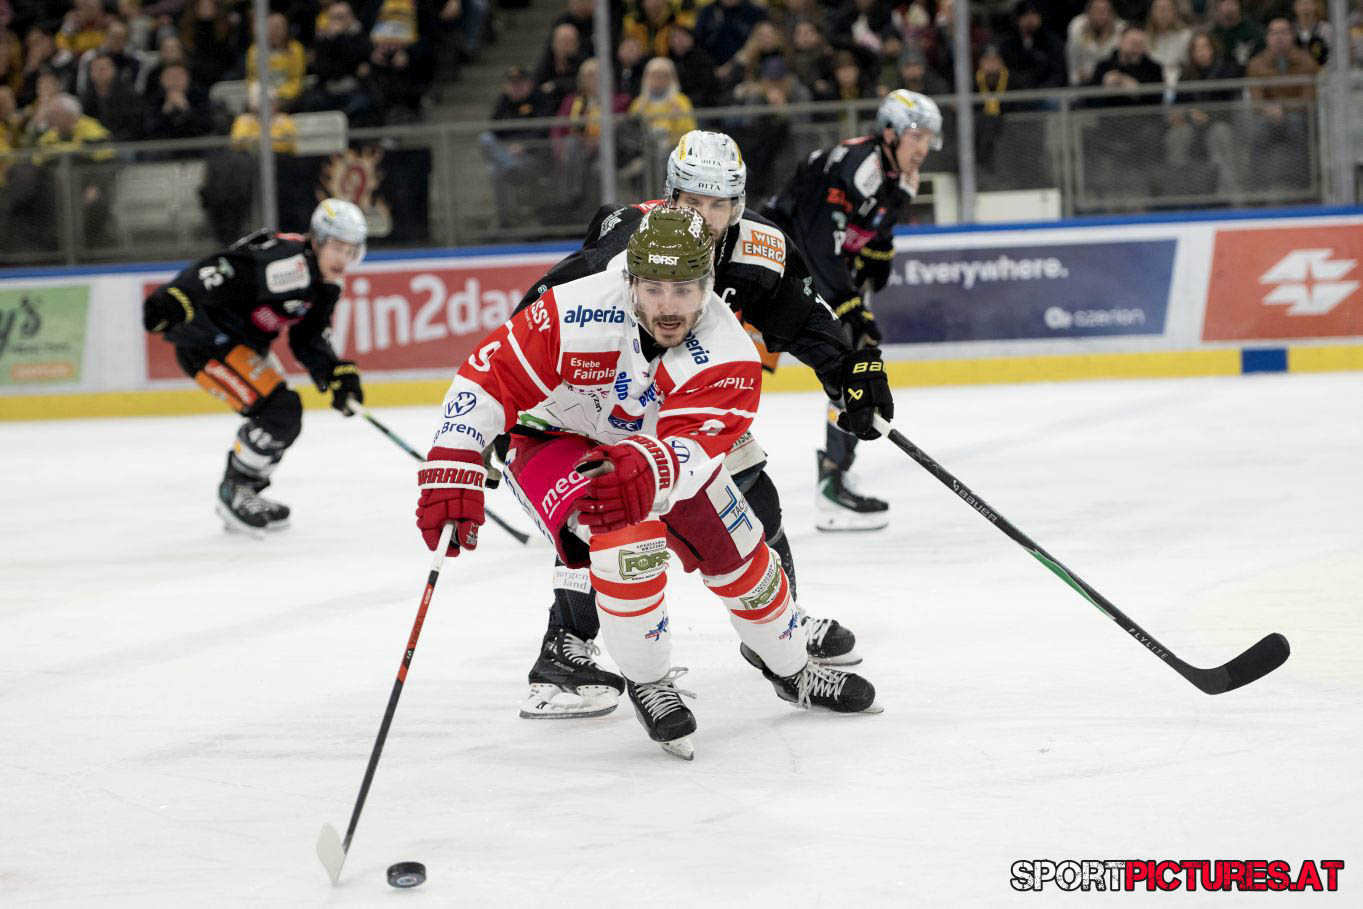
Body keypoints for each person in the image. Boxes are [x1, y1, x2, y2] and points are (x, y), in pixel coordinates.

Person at [415, 205, 882, 760]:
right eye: (654, 288)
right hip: (553, 436)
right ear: (630, 280)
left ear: (709, 284)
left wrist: (648, 465)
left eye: (684, 289)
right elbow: (488, 377)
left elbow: (697, 446)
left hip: (653, 445)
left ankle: (793, 670)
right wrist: (454, 460)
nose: (667, 306)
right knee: (623, 536)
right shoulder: (576, 309)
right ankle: (650, 682)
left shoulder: (729, 350)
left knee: (739, 549)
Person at [504, 130, 890, 719]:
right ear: (670, 196)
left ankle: (781, 628)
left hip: (692, 392)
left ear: (738, 203)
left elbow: (802, 317)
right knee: (599, 518)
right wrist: (500, 409)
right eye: (693, 203)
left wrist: (848, 374)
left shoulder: (759, 245)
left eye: (720, 205)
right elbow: (545, 307)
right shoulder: (636, 241)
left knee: (755, 496)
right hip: (605, 398)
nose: (707, 220)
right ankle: (566, 648)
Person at [763, 89, 939, 531]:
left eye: (928, 137)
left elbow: (874, 233)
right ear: (888, 132)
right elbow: (819, 243)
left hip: (801, 277)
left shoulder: (900, 177)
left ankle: (832, 480)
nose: (923, 146)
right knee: (733, 370)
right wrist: (851, 304)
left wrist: (877, 261)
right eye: (915, 135)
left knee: (850, 369)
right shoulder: (856, 166)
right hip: (766, 275)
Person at [141, 199, 368, 535]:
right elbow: (224, 267)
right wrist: (176, 298)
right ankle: (236, 489)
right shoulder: (285, 262)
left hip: (241, 347)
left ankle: (245, 486)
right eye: (337, 247)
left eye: (352, 251)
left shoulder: (326, 283)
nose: (343, 259)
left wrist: (333, 372)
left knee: (284, 417)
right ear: (317, 240)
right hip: (207, 346)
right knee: (280, 411)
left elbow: (307, 338)